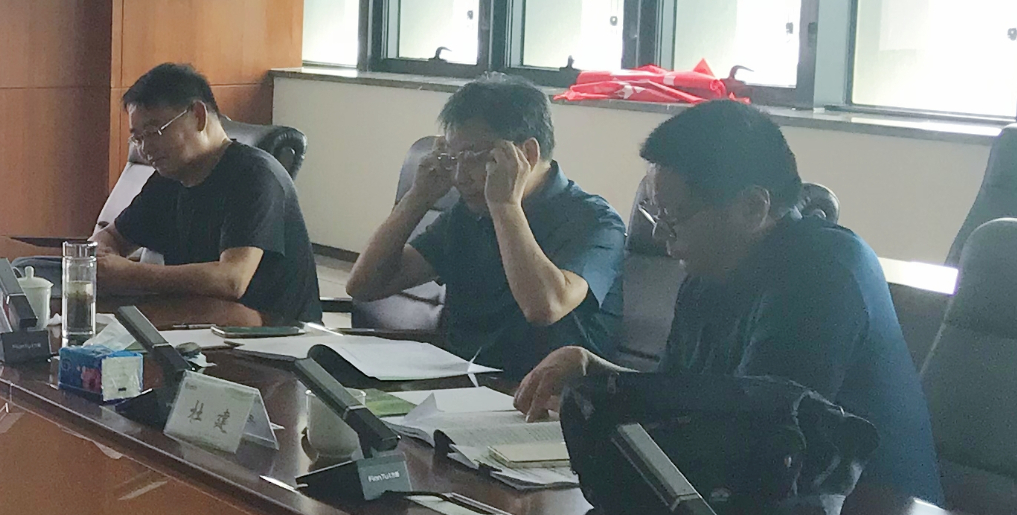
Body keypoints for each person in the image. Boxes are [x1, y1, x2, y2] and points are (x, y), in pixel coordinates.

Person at [513, 100, 941, 500]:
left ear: (752, 208)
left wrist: (615, 396)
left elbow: (760, 428)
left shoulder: (825, 275)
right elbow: (681, 394)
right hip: (773, 505)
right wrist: (594, 371)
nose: (660, 237)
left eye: (675, 218)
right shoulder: (708, 274)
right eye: (656, 216)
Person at [343, 76, 626, 380]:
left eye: (475, 157)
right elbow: (364, 286)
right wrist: (418, 198)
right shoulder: (467, 214)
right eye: (454, 159)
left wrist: (506, 207)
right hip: (455, 382)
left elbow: (545, 307)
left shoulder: (595, 222)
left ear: (526, 155)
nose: (460, 176)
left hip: (542, 395)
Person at [96, 63, 320, 323]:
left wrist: (130, 274)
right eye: (138, 138)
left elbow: (232, 279)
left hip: (276, 333)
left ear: (198, 115)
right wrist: (101, 258)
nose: (145, 148)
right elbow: (112, 236)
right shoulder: (168, 178)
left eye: (154, 132)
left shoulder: (256, 176)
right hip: (204, 322)